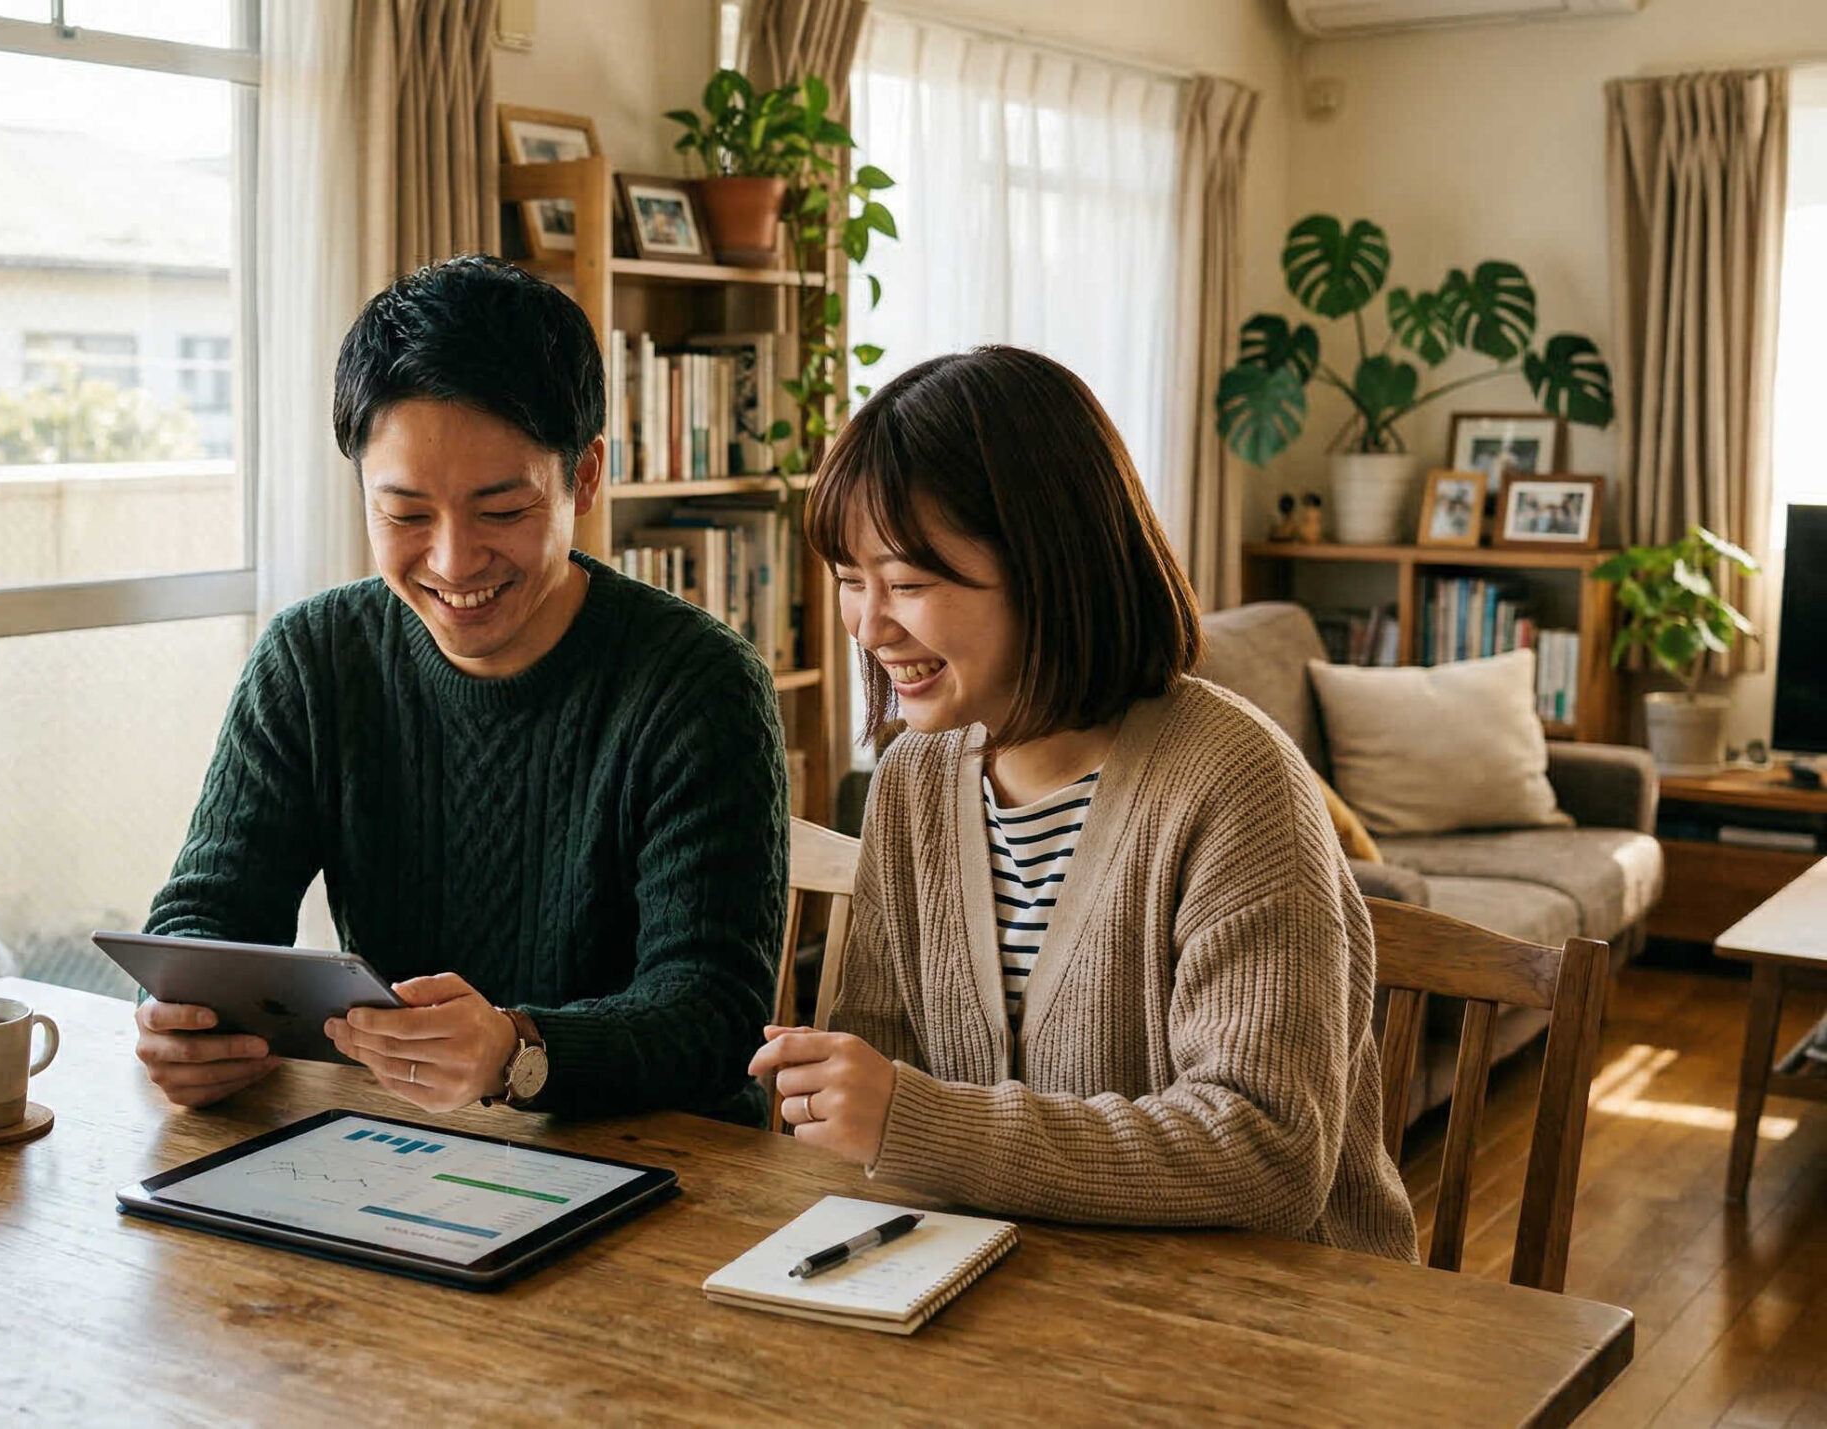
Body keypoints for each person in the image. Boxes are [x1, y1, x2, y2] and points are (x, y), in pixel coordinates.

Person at [748, 346, 1416, 1260]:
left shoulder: (1235, 783)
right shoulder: (912, 781)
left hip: (1262, 1311)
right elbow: (880, 1079)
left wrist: (923, 1121)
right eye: (848, 580)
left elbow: (1267, 1152)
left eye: (906, 583)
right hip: (1010, 1286)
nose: (869, 625)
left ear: (1049, 567)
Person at [134, 255, 788, 1123]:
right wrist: (178, 1020)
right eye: (406, 514)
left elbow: (714, 1010)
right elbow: (208, 913)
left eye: (502, 511)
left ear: (585, 477)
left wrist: (520, 1050)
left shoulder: (698, 685)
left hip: (660, 1156)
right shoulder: (312, 659)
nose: (452, 561)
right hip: (398, 1140)